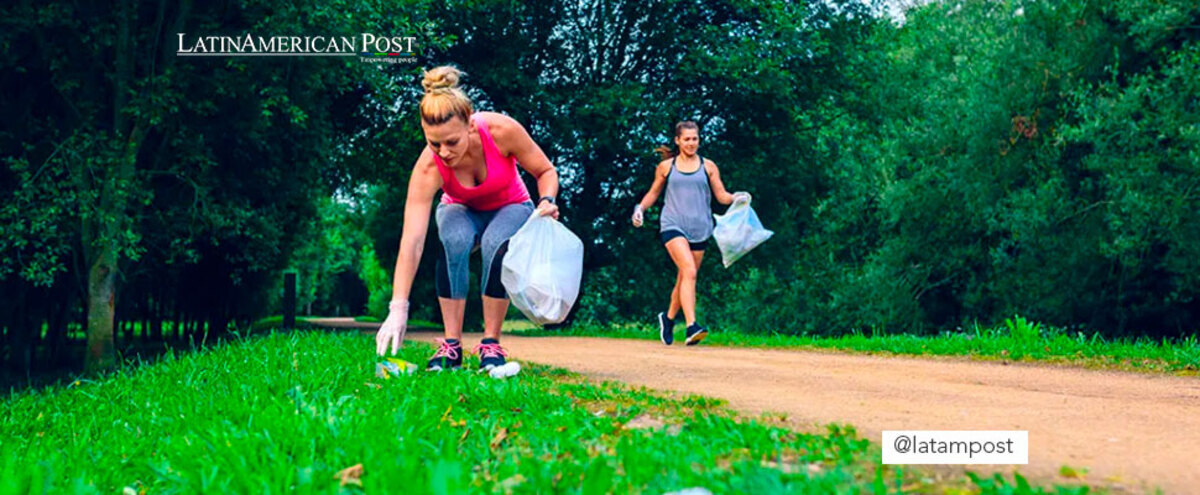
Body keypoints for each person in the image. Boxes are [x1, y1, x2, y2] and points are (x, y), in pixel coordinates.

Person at [375, 65, 560, 371]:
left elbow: (545, 171)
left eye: (451, 142)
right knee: (454, 239)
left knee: (495, 243)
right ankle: (451, 346)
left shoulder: (501, 131)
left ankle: (491, 343)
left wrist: (547, 201)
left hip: (512, 205)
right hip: (460, 208)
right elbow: (412, 241)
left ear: (470, 125)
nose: (444, 152)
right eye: (434, 143)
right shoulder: (428, 167)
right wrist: (398, 306)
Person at [631, 121, 750, 346]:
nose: (691, 143)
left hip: (700, 228)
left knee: (685, 277)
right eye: (686, 139)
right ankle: (691, 326)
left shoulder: (709, 166)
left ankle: (667, 319)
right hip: (672, 224)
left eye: (694, 139)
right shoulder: (667, 166)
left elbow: (721, 196)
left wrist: (736, 197)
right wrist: (640, 209)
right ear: (678, 141)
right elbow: (653, 193)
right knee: (689, 271)